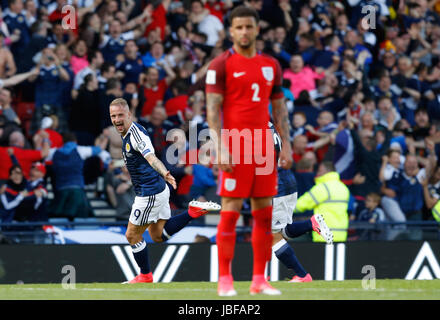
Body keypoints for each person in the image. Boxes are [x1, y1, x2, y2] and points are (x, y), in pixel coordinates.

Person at [205, 6, 293, 296]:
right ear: (231, 31)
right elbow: (212, 111)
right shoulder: (220, 65)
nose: (244, 32)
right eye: (238, 27)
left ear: (257, 29)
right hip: (235, 145)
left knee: (264, 216)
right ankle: (225, 279)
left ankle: (259, 280)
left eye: (248, 27)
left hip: (264, 147)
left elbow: (279, 109)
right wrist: (220, 147)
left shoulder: (272, 65)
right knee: (230, 212)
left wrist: (286, 144)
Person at [108, 98, 221, 284]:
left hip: (150, 192)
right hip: (155, 189)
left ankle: (145, 276)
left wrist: (165, 172)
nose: (117, 119)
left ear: (129, 114)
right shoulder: (126, 132)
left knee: (131, 235)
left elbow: (151, 158)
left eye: (120, 115)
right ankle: (192, 212)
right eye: (113, 116)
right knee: (158, 236)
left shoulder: (137, 135)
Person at [270, 122, 333, 283]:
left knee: (271, 235)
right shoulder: (269, 125)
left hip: (275, 184)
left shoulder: (252, 129)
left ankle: (302, 275)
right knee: (282, 230)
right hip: (287, 178)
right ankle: (310, 224)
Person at [294, 161, 350, 242]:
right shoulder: (343, 188)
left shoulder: (323, 187)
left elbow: (300, 205)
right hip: (341, 234)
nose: (317, 173)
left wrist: (285, 209)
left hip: (323, 236)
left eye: (320, 170)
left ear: (326, 171)